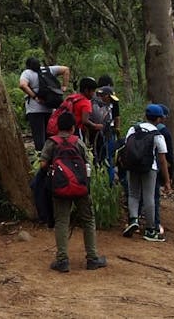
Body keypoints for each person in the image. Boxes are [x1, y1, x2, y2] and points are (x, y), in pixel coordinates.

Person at [39, 111, 107, 273]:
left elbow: (42, 164)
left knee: (62, 221)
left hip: (60, 187)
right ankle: (92, 258)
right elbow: (87, 162)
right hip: (81, 188)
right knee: (88, 220)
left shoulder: (51, 142)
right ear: (72, 128)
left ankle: (62, 260)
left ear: (58, 127)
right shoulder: (78, 142)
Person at [122, 103, 172, 242]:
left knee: (133, 194)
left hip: (132, 166)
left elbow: (127, 147)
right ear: (159, 119)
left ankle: (133, 220)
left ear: (145, 116)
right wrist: (167, 181)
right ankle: (151, 230)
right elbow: (162, 160)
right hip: (150, 168)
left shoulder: (133, 129)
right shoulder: (158, 134)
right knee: (149, 197)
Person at [20, 57, 70, 152]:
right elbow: (66, 69)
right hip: (49, 107)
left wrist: (34, 97)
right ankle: (50, 156)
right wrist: (64, 87)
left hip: (34, 109)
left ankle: (41, 157)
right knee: (49, 134)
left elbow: (22, 85)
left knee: (38, 135)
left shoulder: (27, 73)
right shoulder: (48, 69)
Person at [153, 103, 174, 236]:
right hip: (155, 168)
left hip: (138, 166)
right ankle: (154, 224)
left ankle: (134, 220)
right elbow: (167, 156)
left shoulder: (139, 128)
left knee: (136, 195)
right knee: (154, 196)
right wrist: (168, 177)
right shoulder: (164, 131)